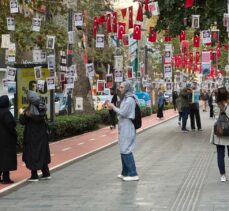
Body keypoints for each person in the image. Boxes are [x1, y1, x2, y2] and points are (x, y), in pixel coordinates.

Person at [106, 81, 139, 181]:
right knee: (123, 148)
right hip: (124, 126)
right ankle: (125, 172)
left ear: (127, 88)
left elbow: (123, 112)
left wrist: (113, 107)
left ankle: (133, 174)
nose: (120, 89)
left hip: (128, 126)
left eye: (121, 87)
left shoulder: (129, 99)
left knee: (126, 149)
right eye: (120, 87)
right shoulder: (126, 98)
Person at [19, 90, 51, 182]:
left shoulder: (28, 111)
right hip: (42, 136)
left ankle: (34, 175)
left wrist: (22, 113)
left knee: (32, 154)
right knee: (42, 153)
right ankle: (46, 173)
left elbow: (22, 121)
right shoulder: (42, 108)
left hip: (32, 136)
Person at [210, 87, 229, 182]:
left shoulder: (216, 105)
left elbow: (216, 118)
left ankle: (223, 175)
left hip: (220, 132)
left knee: (220, 154)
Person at [0, 95, 17, 184]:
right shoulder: (6, 112)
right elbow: (10, 124)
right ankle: (6, 178)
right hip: (6, 139)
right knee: (6, 158)